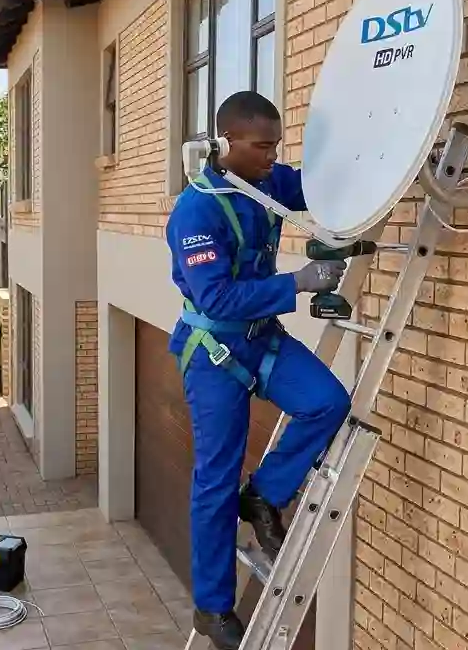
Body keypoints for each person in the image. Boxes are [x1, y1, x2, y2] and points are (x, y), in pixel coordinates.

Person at [164, 90, 353, 650]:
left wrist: (384, 158)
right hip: (216, 352)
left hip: (262, 339)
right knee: (216, 481)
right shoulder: (196, 211)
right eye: (262, 146)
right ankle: (212, 608)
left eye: (276, 145)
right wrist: (298, 283)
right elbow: (217, 298)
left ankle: (265, 495)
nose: (273, 156)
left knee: (327, 402)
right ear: (226, 143)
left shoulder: (265, 181)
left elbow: (319, 184)